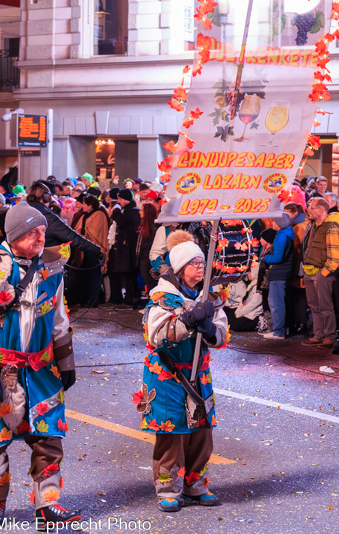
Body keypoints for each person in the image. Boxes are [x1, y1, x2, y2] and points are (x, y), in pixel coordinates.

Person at [0, 202, 81, 528]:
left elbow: (60, 321)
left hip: (41, 373)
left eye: (42, 231)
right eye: (33, 232)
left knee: (49, 440)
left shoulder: (52, 267)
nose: (40, 238)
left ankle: (47, 506)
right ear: (15, 234)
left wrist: (66, 362)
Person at [138, 230, 229, 512]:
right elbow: (155, 335)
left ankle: (195, 484)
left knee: (202, 431)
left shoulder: (209, 296)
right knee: (172, 432)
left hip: (198, 373)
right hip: (168, 373)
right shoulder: (162, 296)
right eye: (194, 263)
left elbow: (223, 336)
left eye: (202, 262)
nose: (200, 267)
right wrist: (188, 321)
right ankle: (168, 487)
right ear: (179, 267)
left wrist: (210, 329)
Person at [301, 198, 339, 347]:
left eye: (311, 208)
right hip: (310, 270)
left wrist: (324, 273)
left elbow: (335, 256)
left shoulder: (332, 227)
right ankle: (318, 334)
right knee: (313, 305)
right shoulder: (313, 226)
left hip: (322, 273)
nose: (308, 210)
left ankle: (330, 335)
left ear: (321, 210)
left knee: (325, 306)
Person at [259, 218, 295, 340]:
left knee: (275, 303)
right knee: (278, 302)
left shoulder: (281, 237)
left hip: (279, 274)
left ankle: (278, 332)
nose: (272, 223)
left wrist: (265, 259)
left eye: (275, 222)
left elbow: (277, 258)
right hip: (282, 274)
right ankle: (279, 330)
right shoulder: (285, 234)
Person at [107, 189, 141, 307]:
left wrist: (116, 213)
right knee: (126, 274)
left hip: (129, 248)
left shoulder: (132, 212)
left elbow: (123, 224)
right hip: (124, 247)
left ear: (126, 199)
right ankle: (127, 298)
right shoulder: (126, 210)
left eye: (120, 199)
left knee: (130, 274)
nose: (119, 201)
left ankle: (130, 299)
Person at [137, 202, 158, 305]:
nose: (140, 211)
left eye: (142, 210)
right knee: (147, 281)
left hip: (148, 258)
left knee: (150, 281)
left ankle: (153, 303)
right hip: (143, 257)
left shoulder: (152, 226)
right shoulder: (144, 225)